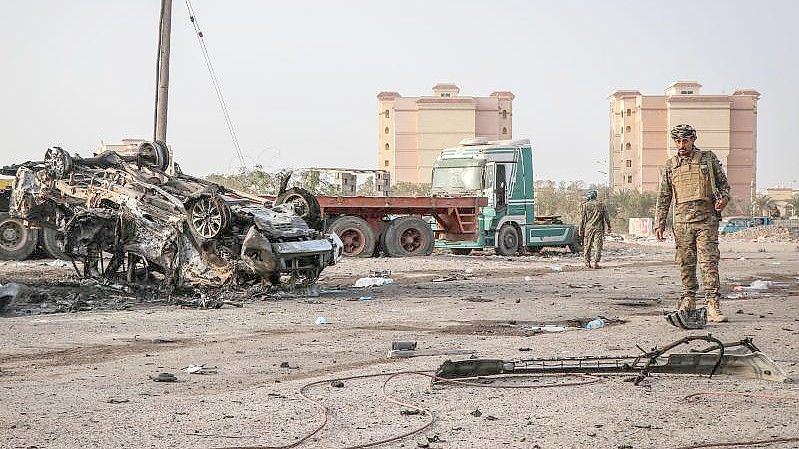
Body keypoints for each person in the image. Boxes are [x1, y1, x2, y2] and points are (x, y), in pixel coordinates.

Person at [655, 124, 730, 322]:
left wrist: (723, 200)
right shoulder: (671, 166)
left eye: (685, 140)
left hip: (706, 221)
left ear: (693, 140)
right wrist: (659, 223)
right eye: (678, 141)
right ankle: (688, 299)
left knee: (708, 264)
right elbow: (664, 196)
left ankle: (713, 304)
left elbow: (724, 186)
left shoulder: (707, 159)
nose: (681, 145)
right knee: (686, 264)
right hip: (682, 223)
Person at [578, 189, 611, 269]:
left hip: (588, 228)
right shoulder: (601, 205)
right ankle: (596, 263)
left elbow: (582, 219)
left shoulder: (584, 205)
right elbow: (606, 217)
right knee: (598, 246)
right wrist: (609, 227)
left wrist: (580, 230)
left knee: (587, 246)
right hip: (598, 228)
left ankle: (587, 263)